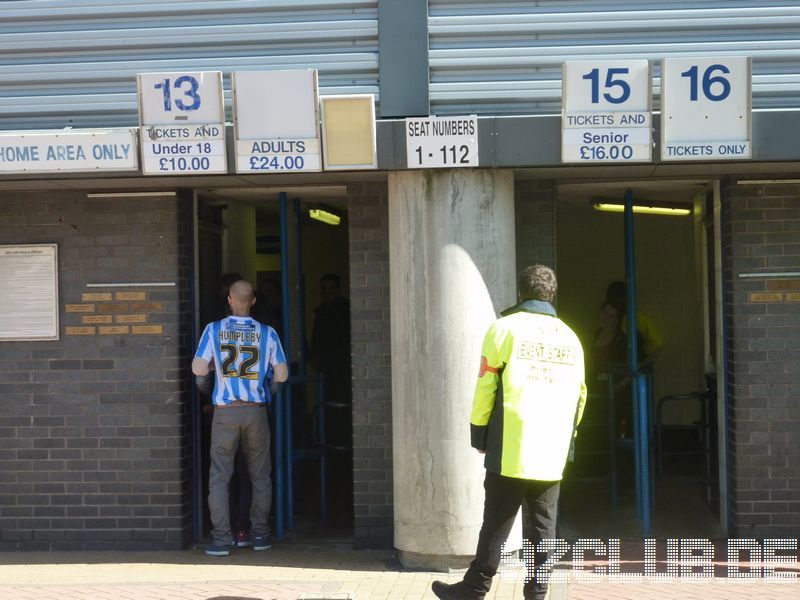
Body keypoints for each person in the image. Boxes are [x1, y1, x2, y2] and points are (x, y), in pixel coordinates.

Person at [431, 265, 587, 600]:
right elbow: (581, 395)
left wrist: (479, 434)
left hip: (512, 445)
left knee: (496, 524)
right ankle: (538, 592)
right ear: (552, 294)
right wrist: (568, 438)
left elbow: (486, 384)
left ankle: (474, 589)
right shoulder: (570, 337)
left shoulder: (503, 329)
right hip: (552, 448)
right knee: (545, 528)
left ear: (521, 292)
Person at [192, 279, 288, 556]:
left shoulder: (214, 330)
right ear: (253, 301)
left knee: (220, 477)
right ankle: (259, 536)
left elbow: (199, 368)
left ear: (229, 300)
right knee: (260, 476)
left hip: (225, 412)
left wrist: (210, 388)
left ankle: (222, 540)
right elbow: (281, 375)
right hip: (256, 410)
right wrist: (265, 393)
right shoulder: (268, 333)